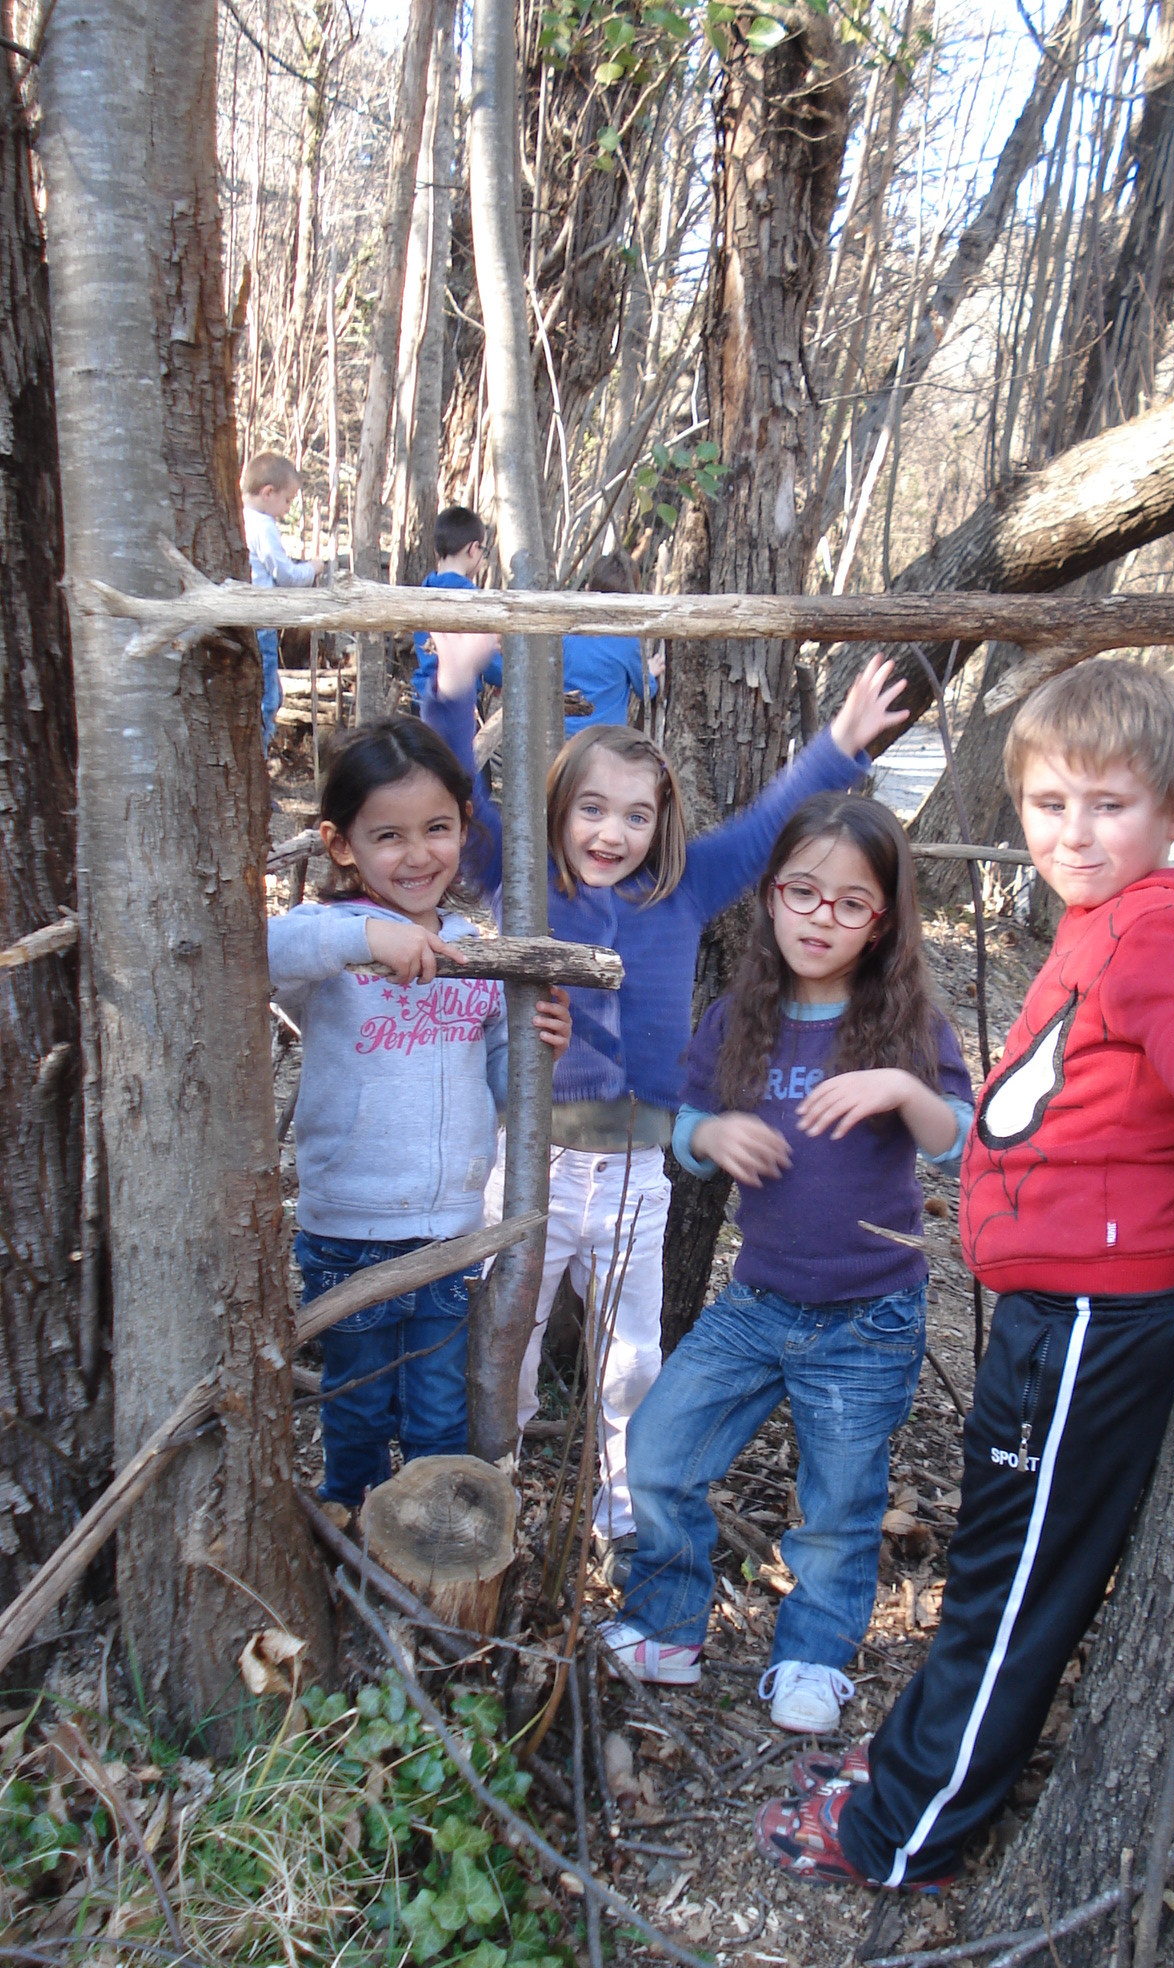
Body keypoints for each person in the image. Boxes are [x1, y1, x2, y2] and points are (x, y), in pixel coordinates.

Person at [752, 657, 1174, 1887]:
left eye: (1109, 804)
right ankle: (914, 1763)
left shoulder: (1159, 922)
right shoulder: (1101, 916)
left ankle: (901, 1832)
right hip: (1051, 1310)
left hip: (1091, 1317)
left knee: (1013, 1584)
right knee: (994, 1558)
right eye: (1049, 804)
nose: (1074, 833)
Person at [423, 656, 909, 1584]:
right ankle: (495, 1481)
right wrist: (448, 688)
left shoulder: (679, 889)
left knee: (631, 1355)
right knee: (504, 1336)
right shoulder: (524, 885)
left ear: (663, 822)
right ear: (559, 810)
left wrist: (843, 743)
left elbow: (770, 825)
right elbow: (458, 807)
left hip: (641, 1171)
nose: (614, 832)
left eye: (637, 814)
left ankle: (622, 1505)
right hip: (533, 1162)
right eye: (593, 809)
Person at [598, 793, 974, 1737]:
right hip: (757, 1300)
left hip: (868, 1314)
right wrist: (713, 1133)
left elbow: (960, 1141)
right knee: (659, 1450)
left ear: (884, 919)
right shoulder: (740, 1017)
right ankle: (668, 1623)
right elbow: (679, 1125)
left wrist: (900, 1086)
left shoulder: (909, 1022)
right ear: (770, 898)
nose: (822, 917)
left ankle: (813, 1653)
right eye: (804, 892)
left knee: (840, 1503)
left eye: (853, 904)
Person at [268, 716, 570, 1508]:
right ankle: (350, 1528)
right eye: (387, 835)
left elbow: (501, 1081)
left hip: (448, 1225)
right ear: (342, 846)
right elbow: (264, 952)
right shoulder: (329, 936)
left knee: (438, 1412)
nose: (416, 854)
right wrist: (371, 934)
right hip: (349, 1227)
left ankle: (429, 1545)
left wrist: (539, 1051)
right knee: (358, 1405)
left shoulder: (477, 947)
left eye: (437, 828)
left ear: (466, 827)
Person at [242, 451, 318, 751]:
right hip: (261, 623)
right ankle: (259, 762)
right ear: (268, 492)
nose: (287, 510)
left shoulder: (242, 518)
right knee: (268, 698)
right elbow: (285, 574)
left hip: (250, 620)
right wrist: (312, 568)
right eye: (287, 500)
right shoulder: (263, 525)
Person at [409, 506, 503, 710]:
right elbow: (486, 658)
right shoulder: (472, 599)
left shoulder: (423, 590)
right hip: (458, 702)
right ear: (473, 549)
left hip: (422, 696)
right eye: (483, 551)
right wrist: (505, 675)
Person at [562, 552, 655, 736]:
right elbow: (647, 690)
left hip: (562, 735)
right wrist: (650, 671)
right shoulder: (627, 641)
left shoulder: (565, 633)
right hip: (605, 740)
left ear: (588, 589)